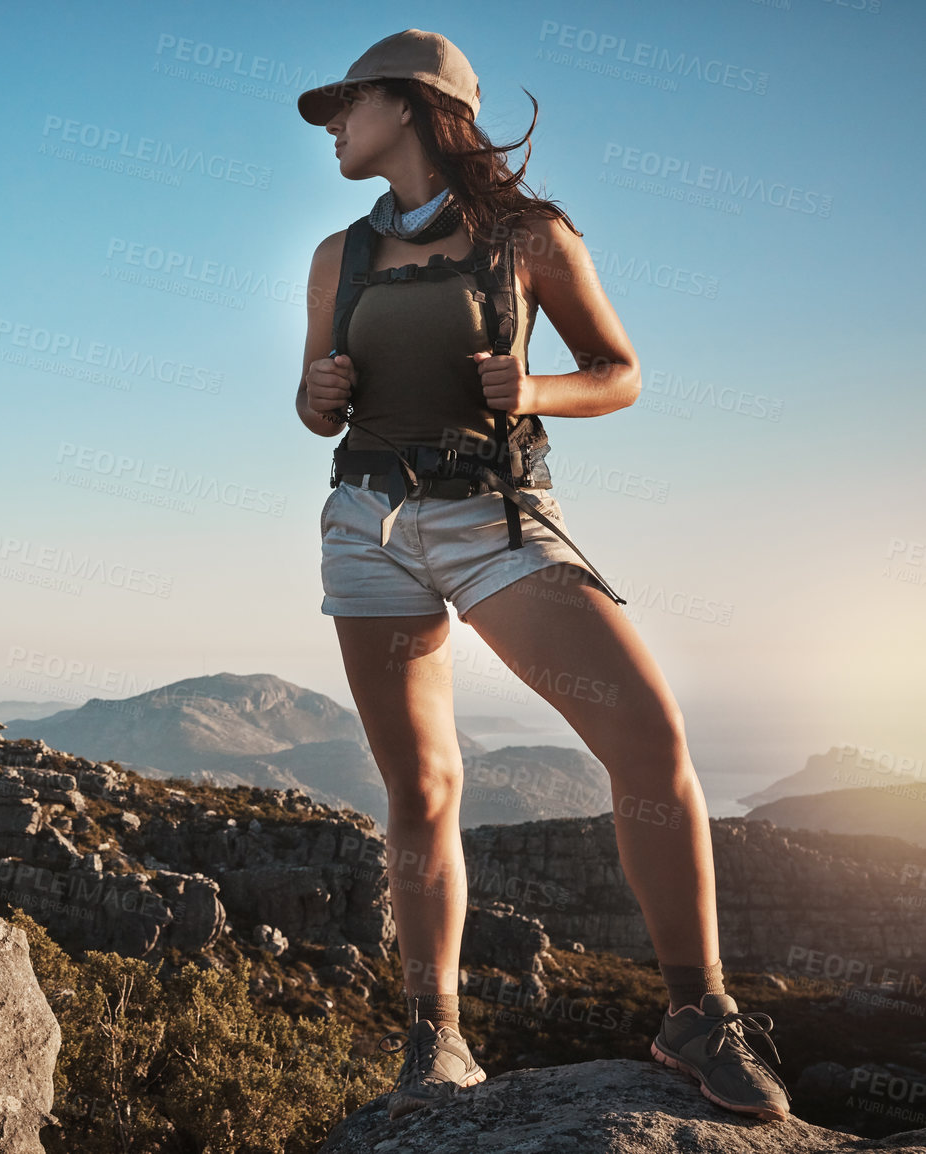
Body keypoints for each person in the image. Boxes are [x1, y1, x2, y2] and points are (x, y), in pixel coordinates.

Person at [292, 29, 791, 1124]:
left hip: (498, 520)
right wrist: (321, 390)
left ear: (416, 107)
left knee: (649, 739)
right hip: (366, 523)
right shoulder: (338, 254)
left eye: (349, 104)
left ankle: (695, 1012)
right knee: (421, 788)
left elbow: (619, 373)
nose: (332, 123)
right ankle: (435, 1039)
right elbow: (312, 404)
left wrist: (535, 391)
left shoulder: (529, 235)